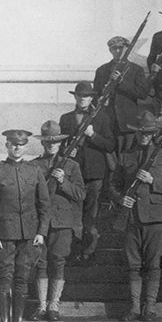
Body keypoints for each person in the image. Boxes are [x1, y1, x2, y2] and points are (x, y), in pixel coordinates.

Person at [114, 110, 162, 322]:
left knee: (153, 264)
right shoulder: (125, 155)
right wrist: (120, 198)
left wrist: (153, 180)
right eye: (141, 132)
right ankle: (134, 308)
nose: (144, 136)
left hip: (156, 217)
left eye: (148, 132)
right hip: (132, 216)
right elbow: (113, 186)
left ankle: (149, 308)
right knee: (133, 264)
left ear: (154, 133)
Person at [0, 129, 49, 322]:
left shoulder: (34, 171)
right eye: (13, 144)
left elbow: (44, 205)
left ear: (26, 147)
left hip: (28, 235)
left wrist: (41, 232)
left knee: (22, 281)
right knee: (5, 280)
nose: (17, 148)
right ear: (7, 145)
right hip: (3, 236)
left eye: (21, 144)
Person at [29, 121, 84, 322]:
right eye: (47, 142)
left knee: (58, 263)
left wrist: (63, 181)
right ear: (43, 143)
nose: (51, 145)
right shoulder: (34, 165)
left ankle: (54, 306)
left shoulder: (72, 166)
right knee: (41, 263)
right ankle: (42, 306)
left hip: (62, 223)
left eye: (55, 142)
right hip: (40, 223)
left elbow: (80, 194)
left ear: (61, 143)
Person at [59, 80, 116, 264]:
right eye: (80, 95)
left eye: (87, 96)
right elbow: (61, 146)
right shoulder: (65, 118)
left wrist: (93, 135)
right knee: (75, 212)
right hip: (74, 173)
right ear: (75, 97)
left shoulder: (101, 117)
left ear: (92, 98)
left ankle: (89, 251)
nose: (83, 99)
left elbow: (110, 144)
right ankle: (74, 250)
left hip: (94, 173)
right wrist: (68, 150)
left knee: (91, 214)